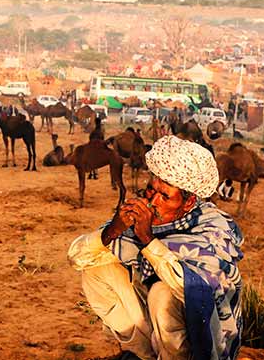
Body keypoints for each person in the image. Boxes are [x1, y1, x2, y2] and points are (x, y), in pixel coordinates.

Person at [68, 135, 245, 360]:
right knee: (97, 268)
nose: (154, 201)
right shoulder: (142, 214)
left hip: (204, 336)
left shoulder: (214, 228)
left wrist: (148, 241)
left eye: (165, 196)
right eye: (152, 189)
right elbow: (76, 257)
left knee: (162, 295)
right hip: (153, 325)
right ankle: (142, 354)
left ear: (188, 202)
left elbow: (196, 291)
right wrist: (113, 229)